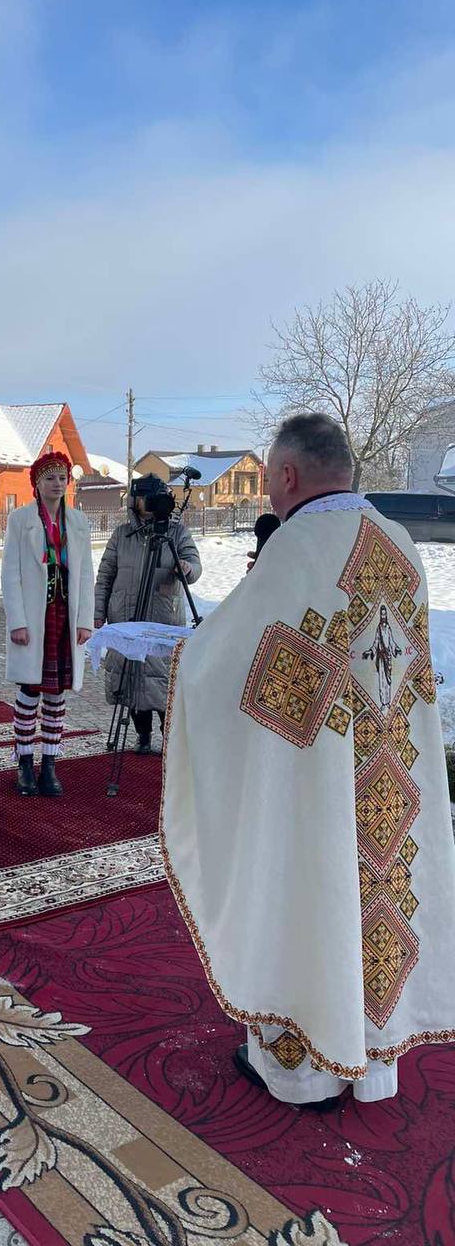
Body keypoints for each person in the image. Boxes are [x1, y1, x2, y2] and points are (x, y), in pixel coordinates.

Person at [162, 412, 455, 1107]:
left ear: (288, 475)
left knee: (308, 895)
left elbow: (232, 665)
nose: (267, 494)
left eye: (267, 480)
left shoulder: (299, 549)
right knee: (377, 905)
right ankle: (373, 1060)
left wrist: (185, 659)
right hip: (391, 778)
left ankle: (304, 1072)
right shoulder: (399, 543)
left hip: (317, 782)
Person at [1, 452, 95, 797]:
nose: (57, 484)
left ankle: (50, 764)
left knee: (56, 693)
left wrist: (85, 620)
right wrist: (17, 621)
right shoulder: (20, 520)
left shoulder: (79, 523)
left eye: (62, 478)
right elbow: (10, 574)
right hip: (34, 618)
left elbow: (86, 575)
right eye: (50, 478)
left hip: (64, 616)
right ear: (37, 484)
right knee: (29, 691)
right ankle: (25, 762)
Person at [94, 475, 201, 752]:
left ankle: (170, 740)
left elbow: (194, 564)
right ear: (135, 501)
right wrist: (98, 614)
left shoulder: (177, 533)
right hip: (126, 617)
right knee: (130, 678)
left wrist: (187, 569)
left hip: (162, 619)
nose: (151, 504)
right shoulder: (122, 535)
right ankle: (142, 736)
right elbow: (105, 575)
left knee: (163, 680)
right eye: (146, 498)